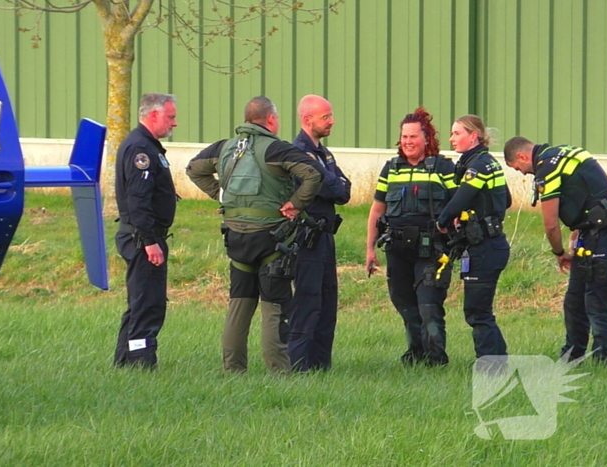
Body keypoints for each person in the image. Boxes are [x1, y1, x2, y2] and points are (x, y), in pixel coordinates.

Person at [186, 96, 324, 373]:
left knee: (239, 304)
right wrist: (296, 203)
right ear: (271, 119)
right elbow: (314, 174)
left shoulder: (224, 148)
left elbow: (194, 169)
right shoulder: (276, 149)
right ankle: (279, 372)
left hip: (236, 238)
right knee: (274, 307)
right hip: (272, 238)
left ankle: (233, 370)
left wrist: (223, 197)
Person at [504, 137, 607, 363]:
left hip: (605, 231)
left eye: (518, 168)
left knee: (596, 297)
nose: (523, 173)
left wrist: (559, 253)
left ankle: (602, 359)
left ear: (522, 156)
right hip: (594, 229)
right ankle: (572, 354)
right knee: (575, 298)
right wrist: (577, 230)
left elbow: (550, 224)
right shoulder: (565, 152)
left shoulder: (547, 169)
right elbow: (588, 191)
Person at [365, 107, 457, 366]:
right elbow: (377, 210)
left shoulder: (443, 167)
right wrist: (370, 249)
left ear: (426, 138)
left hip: (431, 250)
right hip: (397, 249)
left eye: (413, 137)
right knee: (404, 303)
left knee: (428, 304)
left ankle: (436, 359)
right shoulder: (391, 169)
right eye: (404, 137)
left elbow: (458, 205)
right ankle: (416, 353)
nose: (407, 142)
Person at [436, 115, 510, 360]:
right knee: (480, 311)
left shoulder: (477, 166)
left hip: (485, 246)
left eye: (457, 133)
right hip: (491, 244)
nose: (452, 138)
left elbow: (461, 199)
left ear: (474, 136)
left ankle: (491, 368)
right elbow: (506, 199)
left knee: (477, 312)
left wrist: (442, 221)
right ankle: (497, 362)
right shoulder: (488, 163)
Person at [113, 93, 178, 369]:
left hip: (145, 236)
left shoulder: (147, 146)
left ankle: (124, 360)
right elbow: (138, 200)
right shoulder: (141, 149)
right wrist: (150, 242)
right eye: (170, 117)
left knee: (140, 300)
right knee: (148, 303)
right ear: (153, 115)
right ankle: (140, 362)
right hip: (143, 239)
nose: (174, 123)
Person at [287, 95, 351, 372]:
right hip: (307, 237)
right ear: (307, 119)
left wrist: (331, 179)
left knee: (327, 301)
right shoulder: (298, 153)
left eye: (330, 115)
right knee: (307, 301)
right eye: (325, 117)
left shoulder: (324, 154)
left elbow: (344, 191)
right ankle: (299, 365)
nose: (331, 121)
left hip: (326, 237)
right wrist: (332, 180)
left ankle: (321, 366)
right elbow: (331, 187)